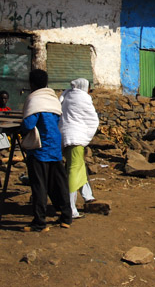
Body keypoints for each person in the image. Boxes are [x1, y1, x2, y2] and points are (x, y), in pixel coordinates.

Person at [21, 69, 72, 232]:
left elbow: (29, 124)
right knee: (59, 184)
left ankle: (39, 222)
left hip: (39, 148)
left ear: (32, 84)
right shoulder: (52, 99)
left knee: (39, 185)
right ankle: (66, 218)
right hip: (55, 146)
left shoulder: (35, 100)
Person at [59, 78, 99, 219]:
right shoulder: (83, 98)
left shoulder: (67, 96)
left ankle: (87, 196)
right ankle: (70, 208)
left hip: (66, 136)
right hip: (76, 138)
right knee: (73, 172)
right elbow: (91, 119)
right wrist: (86, 134)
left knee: (77, 166)